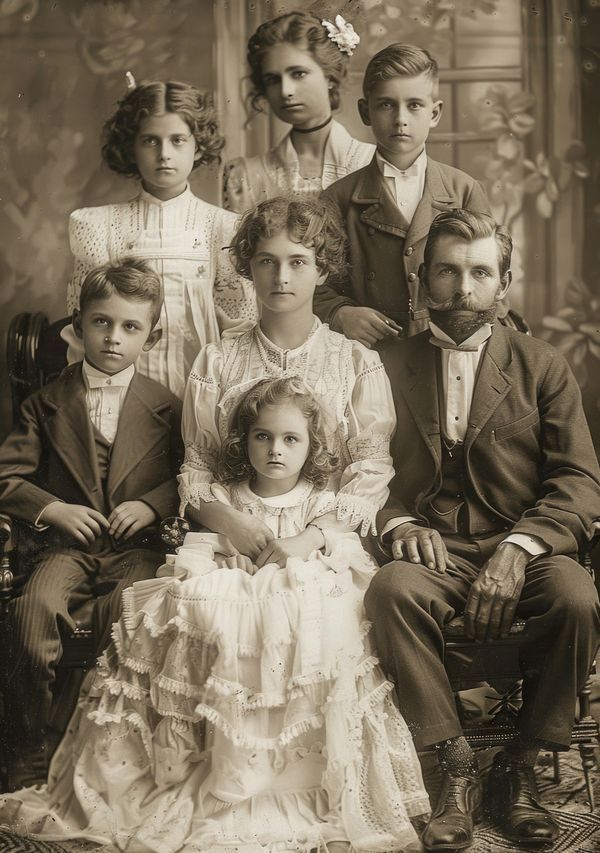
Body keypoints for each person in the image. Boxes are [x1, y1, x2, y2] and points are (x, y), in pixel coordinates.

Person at [0, 376, 429, 851]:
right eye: (262, 436)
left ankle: (295, 775)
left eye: (291, 439)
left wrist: (312, 543)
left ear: (312, 446)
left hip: (297, 629)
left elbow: (346, 553)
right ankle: (219, 766)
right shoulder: (227, 501)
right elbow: (196, 554)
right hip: (236, 626)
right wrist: (228, 562)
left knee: (321, 609)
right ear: (244, 441)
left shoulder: (321, 503)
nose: (275, 450)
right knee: (202, 609)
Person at [364, 208, 600, 851]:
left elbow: (579, 482)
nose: (462, 288)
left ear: (504, 282)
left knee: (578, 597)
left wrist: (522, 548)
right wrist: (398, 522)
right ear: (421, 282)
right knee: (390, 591)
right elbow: (361, 473)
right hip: (434, 552)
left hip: (522, 544)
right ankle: (456, 767)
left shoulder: (542, 365)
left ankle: (523, 767)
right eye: (446, 271)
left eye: (479, 272)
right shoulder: (383, 365)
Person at [0, 260, 183, 789]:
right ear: (78, 326)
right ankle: (26, 747)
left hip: (138, 550)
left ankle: (106, 753)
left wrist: (151, 504)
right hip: (64, 549)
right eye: (101, 322)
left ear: (153, 337)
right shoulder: (45, 403)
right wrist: (51, 508)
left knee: (124, 618)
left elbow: (189, 476)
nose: (112, 337)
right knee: (31, 615)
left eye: (131, 327)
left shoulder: (167, 407)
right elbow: (7, 475)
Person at [179, 195, 396, 561]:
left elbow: (370, 472)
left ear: (322, 270)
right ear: (249, 267)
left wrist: (309, 539)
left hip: (323, 549)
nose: (281, 278)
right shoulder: (216, 361)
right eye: (267, 262)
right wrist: (232, 523)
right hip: (233, 546)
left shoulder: (357, 362)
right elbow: (199, 467)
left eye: (298, 262)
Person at [62, 79, 258, 398]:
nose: (164, 154)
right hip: (123, 398)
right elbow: (83, 329)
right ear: (132, 147)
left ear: (198, 145)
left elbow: (239, 331)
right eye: (150, 141)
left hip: (201, 396)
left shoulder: (223, 228)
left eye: (178, 140)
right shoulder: (99, 226)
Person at [313, 43, 492, 348]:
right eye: (386, 105)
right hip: (371, 352)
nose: (400, 119)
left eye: (414, 105)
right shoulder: (338, 198)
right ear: (365, 111)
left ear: (434, 113)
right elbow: (313, 284)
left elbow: (489, 275)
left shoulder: (463, 189)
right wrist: (341, 313)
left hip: (448, 347)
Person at [223, 10, 375, 213]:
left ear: (330, 76)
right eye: (273, 80)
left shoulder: (371, 162)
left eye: (298, 74)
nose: (286, 91)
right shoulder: (245, 175)